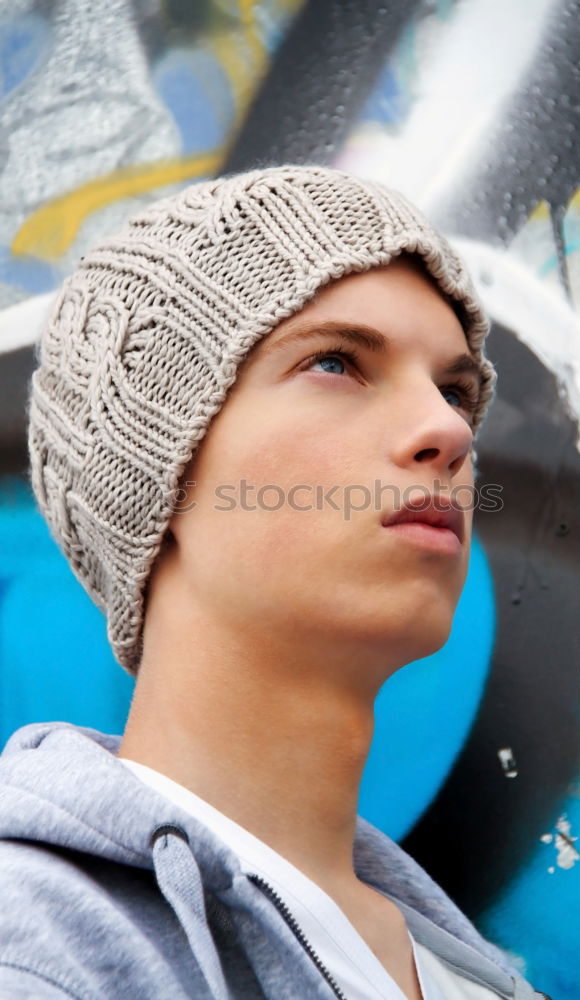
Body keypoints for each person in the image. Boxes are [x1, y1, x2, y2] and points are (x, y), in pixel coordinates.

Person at [0, 166, 549, 999]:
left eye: (454, 388)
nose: (448, 428)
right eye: (336, 362)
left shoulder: (465, 973)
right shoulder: (38, 947)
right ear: (157, 472)